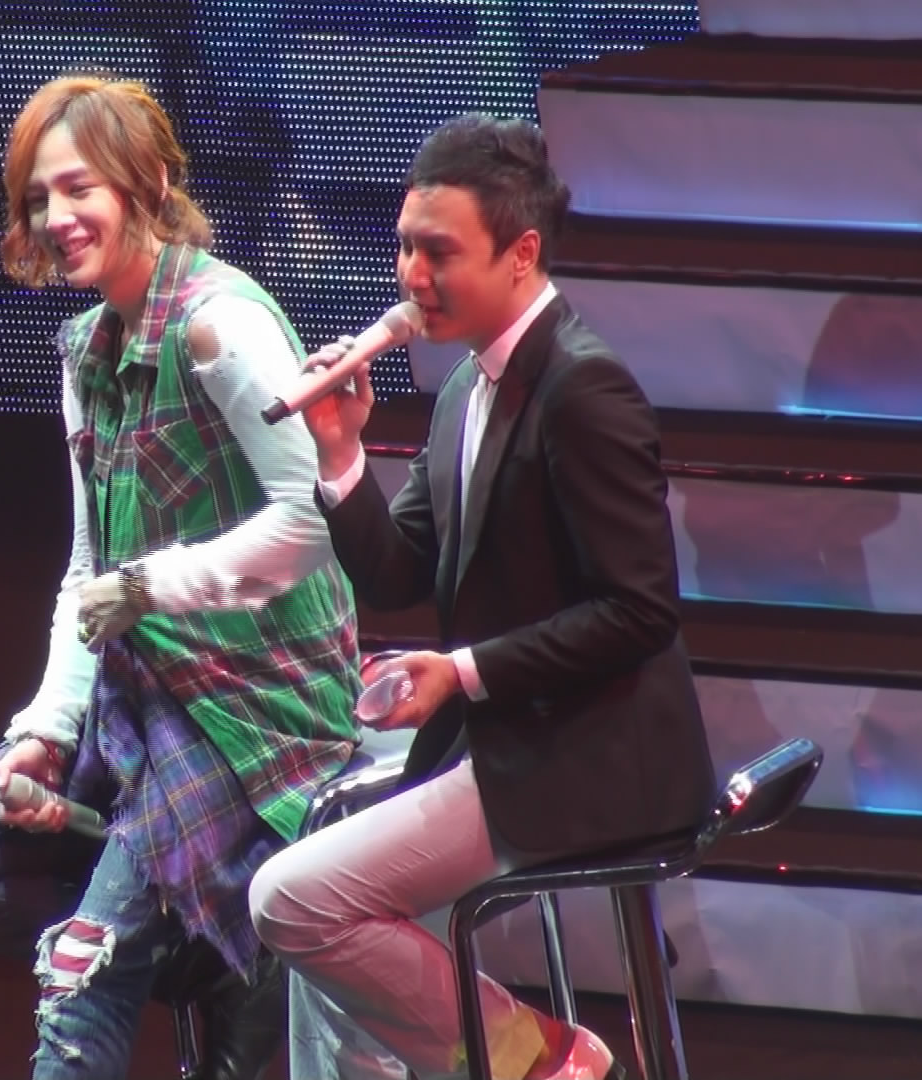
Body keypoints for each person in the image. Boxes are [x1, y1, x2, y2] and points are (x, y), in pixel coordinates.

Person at [0, 74, 361, 1080]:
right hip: (136, 696)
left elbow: (309, 525)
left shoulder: (220, 324)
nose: (55, 218)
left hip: (255, 706)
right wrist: (48, 731)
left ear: (146, 185)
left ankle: (188, 922)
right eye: (37, 199)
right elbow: (88, 566)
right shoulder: (84, 348)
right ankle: (226, 934)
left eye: (78, 189)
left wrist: (154, 586)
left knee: (84, 980)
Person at [247, 113, 718, 1080]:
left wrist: (460, 673)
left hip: (589, 754)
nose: (412, 277)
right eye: (405, 248)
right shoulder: (468, 387)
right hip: (513, 737)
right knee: (319, 863)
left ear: (522, 253)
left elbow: (639, 612)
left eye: (439, 253)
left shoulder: (583, 388)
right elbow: (397, 573)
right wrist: (339, 454)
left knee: (291, 900)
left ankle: (545, 1060)